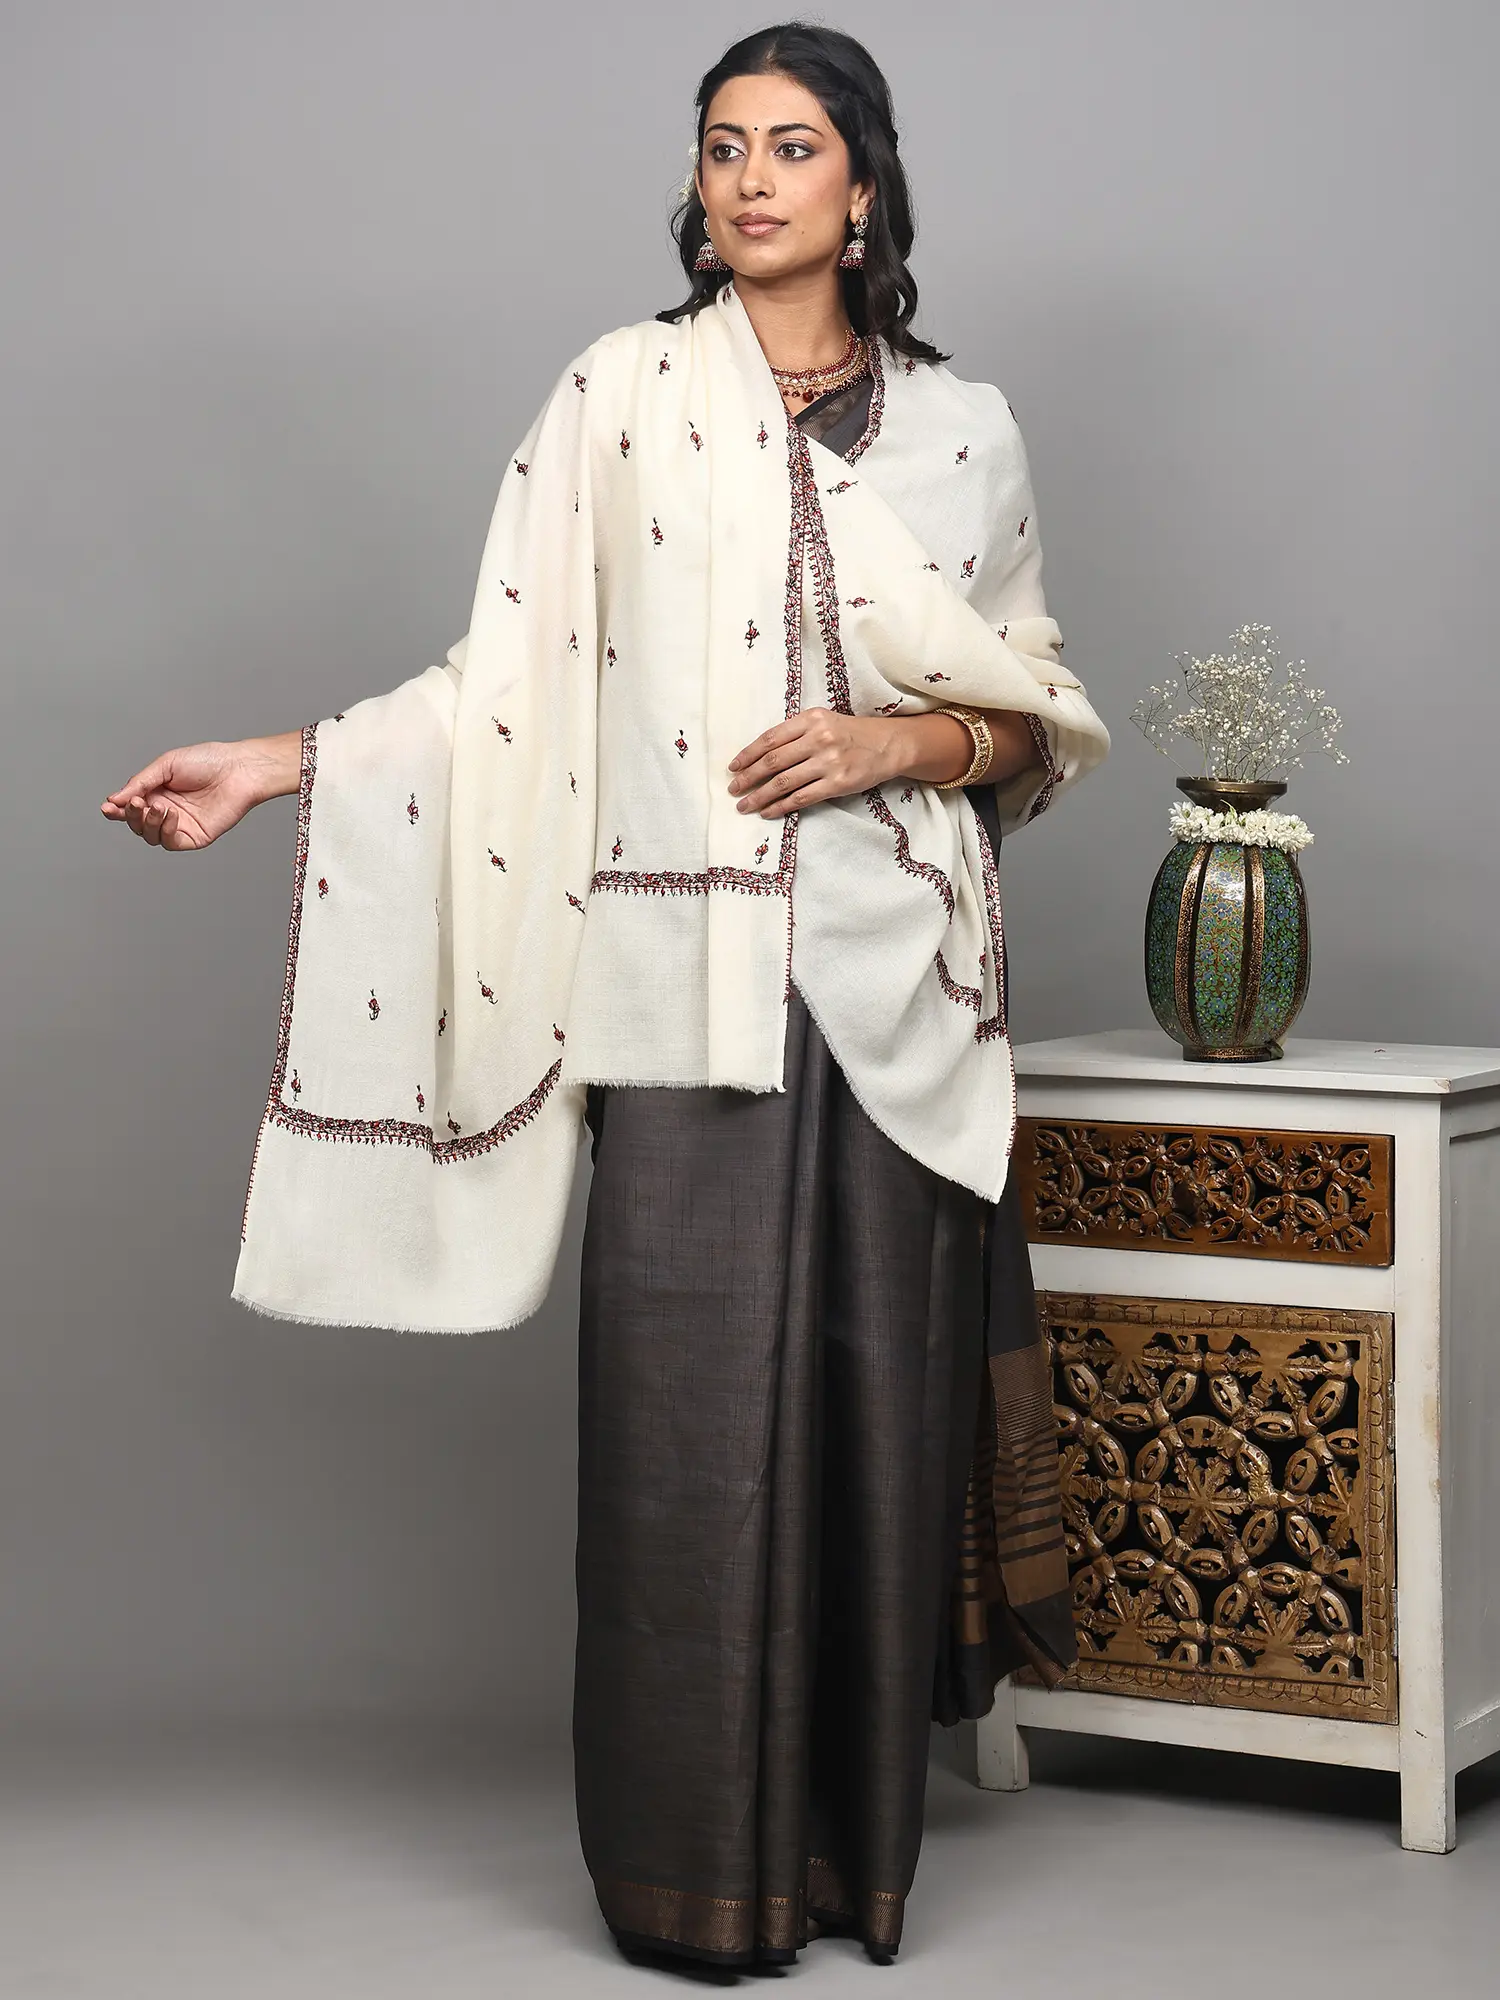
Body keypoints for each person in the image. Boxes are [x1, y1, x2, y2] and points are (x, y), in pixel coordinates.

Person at [102, 22, 1109, 1974]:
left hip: (894, 994)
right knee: (685, 1432)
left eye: (793, 147)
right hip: (678, 982)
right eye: (724, 146)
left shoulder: (961, 429)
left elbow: (1031, 712)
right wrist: (279, 762)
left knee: (877, 1421)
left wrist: (892, 742)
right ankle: (695, 1886)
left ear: (865, 186)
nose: (751, 179)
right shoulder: (622, 399)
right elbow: (503, 685)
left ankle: (856, 1866)